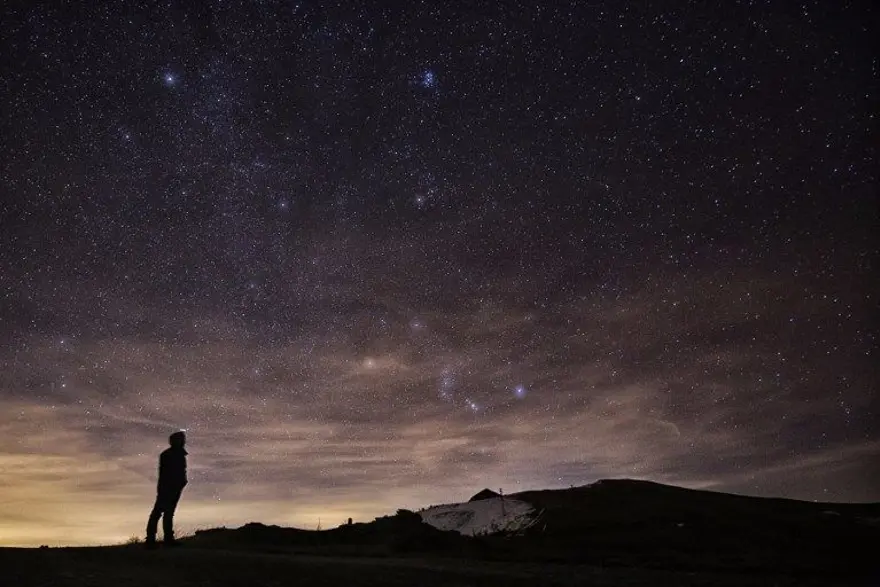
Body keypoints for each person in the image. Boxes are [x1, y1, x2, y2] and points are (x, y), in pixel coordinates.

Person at [146, 431, 188, 547]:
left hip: (175, 487)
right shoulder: (167, 455)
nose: (183, 441)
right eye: (180, 439)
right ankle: (150, 540)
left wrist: (182, 482)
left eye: (182, 439)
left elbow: (181, 471)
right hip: (166, 488)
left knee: (168, 513)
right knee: (158, 512)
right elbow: (165, 473)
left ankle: (167, 539)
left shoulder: (180, 455)